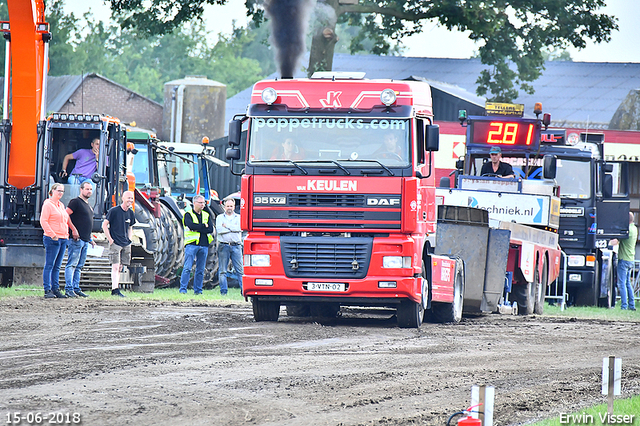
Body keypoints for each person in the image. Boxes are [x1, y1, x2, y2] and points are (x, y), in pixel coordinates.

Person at [102, 191, 136, 297]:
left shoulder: (130, 213)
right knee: (115, 266)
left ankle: (117, 287)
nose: (130, 200)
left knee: (121, 267)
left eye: (131, 198)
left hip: (125, 243)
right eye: (128, 198)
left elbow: (131, 227)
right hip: (115, 243)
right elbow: (104, 225)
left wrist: (129, 239)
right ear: (123, 198)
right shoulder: (114, 211)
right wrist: (110, 239)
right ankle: (114, 289)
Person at [64, 181, 95, 298]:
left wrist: (90, 239)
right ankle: (69, 288)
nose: (89, 191)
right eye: (87, 189)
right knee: (72, 264)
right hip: (76, 240)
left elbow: (86, 223)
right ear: (81, 190)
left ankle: (76, 288)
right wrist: (73, 229)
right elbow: (66, 215)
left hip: (85, 240)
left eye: (90, 189)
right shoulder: (75, 202)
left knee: (79, 266)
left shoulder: (88, 204)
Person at [40, 183, 71, 299]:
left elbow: (64, 221)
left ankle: (55, 289)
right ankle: (47, 289)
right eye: (58, 191)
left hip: (63, 238)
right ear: (52, 191)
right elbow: (44, 221)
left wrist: (66, 235)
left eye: (62, 191)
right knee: (49, 264)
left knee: (57, 266)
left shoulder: (61, 205)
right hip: (52, 238)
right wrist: (52, 235)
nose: (60, 193)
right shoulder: (48, 204)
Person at [179, 195, 214, 295]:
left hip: (204, 245)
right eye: (200, 203)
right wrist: (203, 226)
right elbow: (190, 225)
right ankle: (183, 290)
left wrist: (198, 228)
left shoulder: (206, 215)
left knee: (200, 270)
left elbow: (210, 229)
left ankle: (198, 291)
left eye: (203, 203)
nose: (202, 205)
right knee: (187, 268)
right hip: (192, 245)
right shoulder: (188, 215)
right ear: (194, 203)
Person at [216, 197, 243, 295]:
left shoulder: (239, 217)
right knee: (222, 270)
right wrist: (233, 229)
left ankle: (243, 292)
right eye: (227, 206)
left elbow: (240, 228)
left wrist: (226, 226)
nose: (229, 208)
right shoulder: (219, 218)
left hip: (236, 246)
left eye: (231, 206)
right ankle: (223, 291)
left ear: (234, 207)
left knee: (240, 271)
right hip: (224, 246)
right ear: (224, 207)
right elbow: (219, 230)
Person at [610, 212, 638, 311]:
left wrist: (605, 241)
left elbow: (616, 241)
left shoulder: (627, 230)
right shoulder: (634, 229)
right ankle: (632, 305)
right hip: (630, 259)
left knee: (621, 284)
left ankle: (624, 306)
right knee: (628, 283)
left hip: (623, 259)